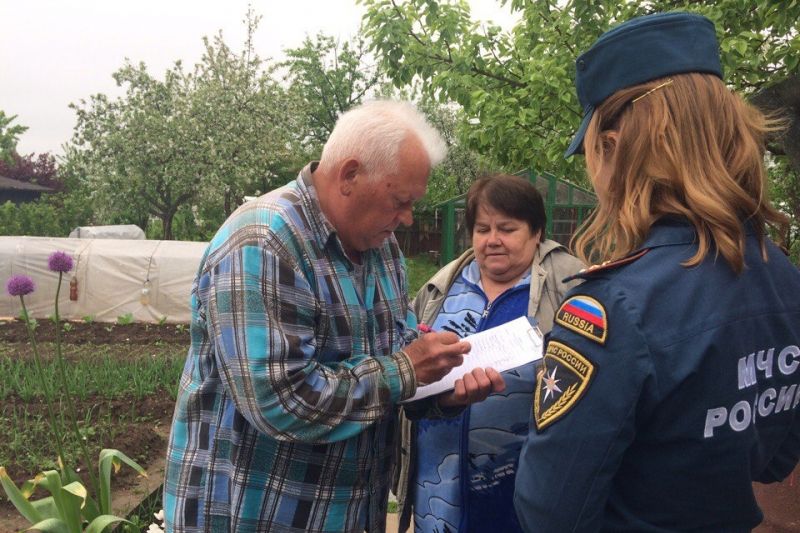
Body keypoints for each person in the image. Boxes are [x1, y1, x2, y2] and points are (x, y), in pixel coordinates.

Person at [514, 12, 800, 532]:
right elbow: (774, 459)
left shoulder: (608, 309)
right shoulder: (781, 275)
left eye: (592, 148)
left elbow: (549, 511)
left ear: (616, 146)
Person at [163, 100, 505, 533]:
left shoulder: (382, 252)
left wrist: (439, 389)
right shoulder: (265, 242)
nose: (407, 218)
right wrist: (406, 370)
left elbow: (392, 354)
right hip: (257, 514)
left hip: (346, 512)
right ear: (349, 175)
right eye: (400, 201)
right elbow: (282, 401)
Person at [394, 174, 584, 532]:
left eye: (507, 229)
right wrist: (444, 398)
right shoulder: (438, 291)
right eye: (482, 229)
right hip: (439, 499)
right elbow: (405, 382)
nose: (492, 240)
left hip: (522, 502)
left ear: (537, 231)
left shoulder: (569, 288)